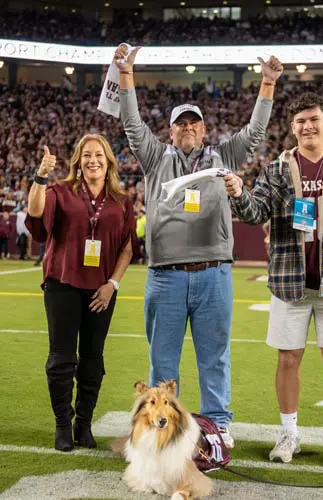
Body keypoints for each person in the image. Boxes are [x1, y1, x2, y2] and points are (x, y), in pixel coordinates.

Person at [113, 44, 283, 448]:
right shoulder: (155, 158)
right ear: (170, 131)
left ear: (204, 129)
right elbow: (132, 124)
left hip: (213, 273)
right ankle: (159, 425)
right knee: (163, 363)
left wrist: (268, 84)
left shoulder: (223, 155)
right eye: (180, 124)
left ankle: (218, 425)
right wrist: (126, 76)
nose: (187, 128)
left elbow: (255, 133)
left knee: (214, 357)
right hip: (166, 276)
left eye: (194, 123)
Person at [224, 92, 323, 466]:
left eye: (313, 119)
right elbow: (254, 212)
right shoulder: (278, 168)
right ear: (292, 127)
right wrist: (237, 192)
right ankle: (289, 433)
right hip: (289, 280)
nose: (307, 126)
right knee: (287, 359)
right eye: (300, 121)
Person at [25, 135, 134, 452]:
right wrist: (41, 175)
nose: (93, 160)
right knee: (61, 359)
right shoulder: (60, 191)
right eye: (86, 155)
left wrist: (112, 284)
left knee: (92, 360)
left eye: (99, 155)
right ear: (77, 160)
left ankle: (83, 424)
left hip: (101, 290)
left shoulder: (121, 200)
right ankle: (62, 425)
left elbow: (127, 249)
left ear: (109, 160)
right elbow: (35, 212)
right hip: (63, 284)